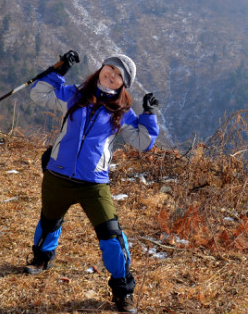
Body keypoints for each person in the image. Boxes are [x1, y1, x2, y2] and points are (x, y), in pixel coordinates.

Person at [24, 50, 159, 314]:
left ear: (123, 84)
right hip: (58, 174)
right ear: (101, 68)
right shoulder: (75, 94)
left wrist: (149, 114)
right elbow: (38, 94)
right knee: (49, 221)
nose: (112, 74)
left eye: (119, 74)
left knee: (111, 236)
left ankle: (123, 291)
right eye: (109, 68)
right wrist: (59, 70)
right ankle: (42, 258)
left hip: (93, 183)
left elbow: (143, 142)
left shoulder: (123, 111)